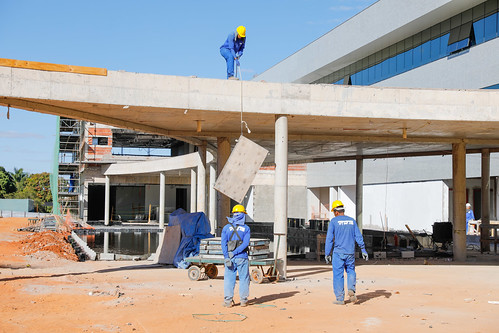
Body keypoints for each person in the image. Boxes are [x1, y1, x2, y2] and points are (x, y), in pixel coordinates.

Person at [325, 200, 368, 305]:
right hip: (350, 252)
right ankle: (351, 289)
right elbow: (358, 236)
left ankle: (340, 299)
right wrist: (363, 249)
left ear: (336, 212)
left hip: (338, 253)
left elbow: (329, 239)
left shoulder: (334, 222)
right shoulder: (352, 221)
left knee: (338, 275)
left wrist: (327, 253)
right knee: (351, 271)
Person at [221, 204, 251, 307]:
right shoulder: (246, 228)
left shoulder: (226, 228)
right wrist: (236, 252)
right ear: (243, 215)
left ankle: (228, 301)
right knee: (244, 279)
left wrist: (227, 256)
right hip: (242, 257)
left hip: (230, 257)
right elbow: (245, 244)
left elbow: (223, 244)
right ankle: (243, 300)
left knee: (229, 279)